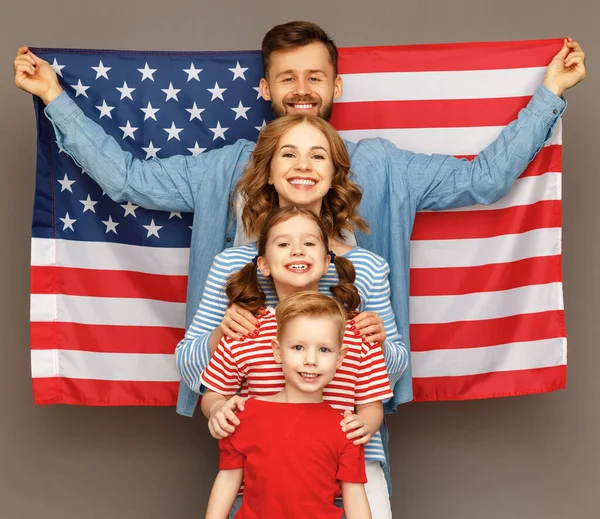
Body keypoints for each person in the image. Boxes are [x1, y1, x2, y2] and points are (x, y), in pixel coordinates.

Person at [13, 22, 586, 412]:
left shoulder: (383, 170)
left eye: (315, 76)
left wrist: (550, 93)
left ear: (337, 85)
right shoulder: (226, 172)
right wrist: (54, 95)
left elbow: (482, 179)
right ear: (266, 87)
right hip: (249, 404)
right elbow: (128, 179)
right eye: (287, 77)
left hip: (355, 412)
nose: (302, 90)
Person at [193, 206, 399, 517]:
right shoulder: (245, 328)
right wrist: (218, 409)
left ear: (328, 260)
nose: (297, 250)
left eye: (310, 243)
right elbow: (214, 394)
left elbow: (371, 403)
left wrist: (363, 426)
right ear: (263, 264)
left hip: (340, 482)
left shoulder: (356, 332)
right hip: (259, 490)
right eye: (284, 243)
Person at [204, 291, 373, 519]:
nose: (310, 360)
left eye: (324, 349)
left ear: (340, 357)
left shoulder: (346, 428)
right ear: (277, 351)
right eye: (298, 347)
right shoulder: (244, 415)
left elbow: (354, 496)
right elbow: (227, 479)